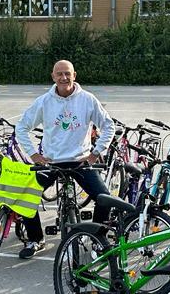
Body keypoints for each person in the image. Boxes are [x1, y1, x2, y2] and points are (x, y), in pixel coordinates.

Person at [14, 59, 115, 259]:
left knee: (105, 199)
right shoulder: (44, 101)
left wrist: (95, 154)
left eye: (67, 73)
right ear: (53, 77)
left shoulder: (87, 99)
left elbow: (109, 126)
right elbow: (22, 127)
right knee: (25, 196)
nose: (64, 77)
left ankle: (97, 239)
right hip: (52, 162)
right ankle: (36, 239)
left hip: (80, 161)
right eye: (59, 74)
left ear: (74, 75)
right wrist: (34, 155)